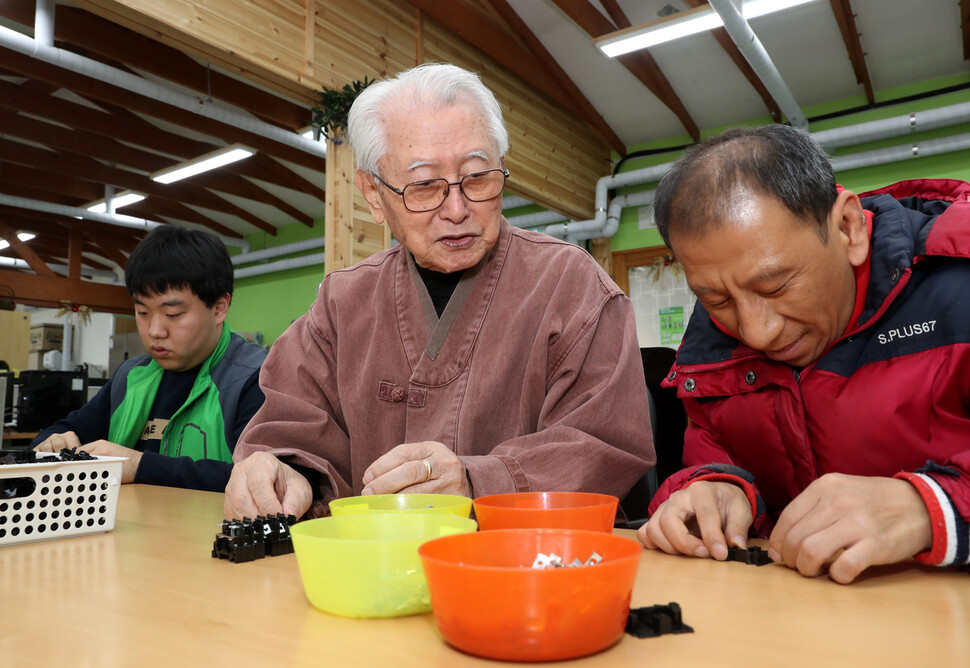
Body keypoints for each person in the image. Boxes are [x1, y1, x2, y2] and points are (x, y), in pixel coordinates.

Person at [224, 63, 654, 520]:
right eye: (425, 185)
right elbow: (290, 431)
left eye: (477, 178)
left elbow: (604, 444)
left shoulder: (572, 286)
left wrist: (477, 483)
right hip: (376, 574)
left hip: (527, 570)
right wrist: (283, 473)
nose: (456, 209)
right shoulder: (340, 304)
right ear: (373, 194)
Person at [636, 124, 970, 583]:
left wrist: (933, 507)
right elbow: (714, 457)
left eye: (775, 285)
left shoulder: (960, 282)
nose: (757, 332)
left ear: (849, 228)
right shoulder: (707, 348)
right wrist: (718, 489)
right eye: (717, 300)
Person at [33, 226, 267, 492]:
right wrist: (53, 441)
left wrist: (139, 465)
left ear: (219, 308)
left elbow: (265, 479)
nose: (155, 330)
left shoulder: (257, 378)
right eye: (142, 312)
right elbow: (67, 428)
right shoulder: (132, 376)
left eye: (174, 314)